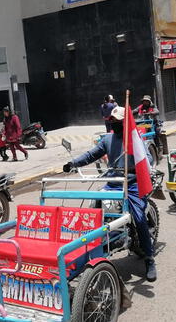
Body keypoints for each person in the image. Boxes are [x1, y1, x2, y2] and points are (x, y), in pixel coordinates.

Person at [62, 106, 157, 282]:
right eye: (111, 121)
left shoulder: (134, 138)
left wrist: (139, 165)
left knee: (139, 218)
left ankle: (149, 259)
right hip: (113, 183)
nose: (114, 124)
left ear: (124, 122)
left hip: (132, 185)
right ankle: (90, 250)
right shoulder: (108, 140)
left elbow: (147, 158)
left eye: (118, 122)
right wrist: (73, 163)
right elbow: (92, 154)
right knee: (93, 212)